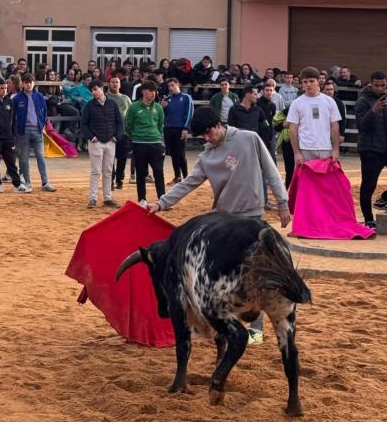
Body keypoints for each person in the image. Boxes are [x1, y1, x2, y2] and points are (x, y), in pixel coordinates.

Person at [147, 105, 291, 346]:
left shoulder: (250, 138)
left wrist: (283, 201)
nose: (206, 139)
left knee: (259, 274)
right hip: (223, 224)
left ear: (217, 126)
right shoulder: (206, 156)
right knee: (223, 278)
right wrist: (161, 203)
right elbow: (188, 183)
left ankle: (256, 328)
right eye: (202, 136)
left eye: (207, 133)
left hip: (253, 218)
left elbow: (271, 170)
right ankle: (226, 325)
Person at [354, 72, 387, 228]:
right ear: (370, 84)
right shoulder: (362, 101)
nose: (380, 88)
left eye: (383, 85)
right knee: (368, 186)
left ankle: (384, 198)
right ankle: (369, 219)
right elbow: (361, 126)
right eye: (376, 85)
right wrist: (373, 111)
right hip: (370, 150)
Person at [287, 66, 341, 167]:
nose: (308, 84)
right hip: (305, 149)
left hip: (325, 148)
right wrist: (296, 153)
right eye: (305, 82)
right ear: (302, 83)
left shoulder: (329, 101)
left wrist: (335, 150)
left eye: (312, 81)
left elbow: (334, 126)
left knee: (325, 182)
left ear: (318, 81)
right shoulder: (296, 103)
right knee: (304, 182)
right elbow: (293, 129)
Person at [80, 80, 123, 208]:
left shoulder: (112, 103)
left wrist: (117, 136)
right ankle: (93, 198)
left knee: (108, 171)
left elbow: (119, 122)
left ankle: (107, 197)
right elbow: (84, 124)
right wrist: (91, 137)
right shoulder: (89, 106)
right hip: (96, 142)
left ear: (101, 88)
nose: (93, 92)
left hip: (110, 141)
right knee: (96, 171)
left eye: (95, 89)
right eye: (92, 90)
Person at [13, 73, 56, 193]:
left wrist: (42, 125)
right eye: (26, 82)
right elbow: (13, 116)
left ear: (34, 83)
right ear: (22, 83)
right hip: (23, 131)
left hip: (37, 130)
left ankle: (45, 182)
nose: (29, 84)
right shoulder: (17, 98)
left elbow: (45, 111)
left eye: (30, 82)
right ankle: (27, 182)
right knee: (23, 158)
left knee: (41, 157)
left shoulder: (40, 97)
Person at [125, 80, 165, 207]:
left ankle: (162, 198)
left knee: (158, 171)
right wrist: (137, 136)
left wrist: (155, 135)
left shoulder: (158, 107)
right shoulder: (134, 107)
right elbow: (128, 125)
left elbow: (160, 125)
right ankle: (142, 199)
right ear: (143, 92)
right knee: (141, 173)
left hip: (155, 143)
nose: (153, 93)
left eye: (154, 91)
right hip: (139, 143)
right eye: (150, 91)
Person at [161, 77, 193, 184]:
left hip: (180, 129)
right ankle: (177, 176)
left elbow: (189, 113)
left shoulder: (186, 97)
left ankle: (186, 177)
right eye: (169, 86)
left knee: (181, 154)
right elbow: (164, 116)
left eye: (173, 85)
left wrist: (185, 128)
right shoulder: (167, 99)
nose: (171, 88)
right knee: (173, 154)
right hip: (169, 129)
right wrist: (163, 107)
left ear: (178, 85)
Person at [107, 75, 132, 190]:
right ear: (109, 84)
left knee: (122, 158)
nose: (115, 84)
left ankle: (119, 179)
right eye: (112, 82)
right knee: (109, 158)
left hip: (124, 133)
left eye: (117, 82)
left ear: (120, 84)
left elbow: (131, 114)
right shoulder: (105, 97)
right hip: (109, 133)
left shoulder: (125, 98)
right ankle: (110, 180)